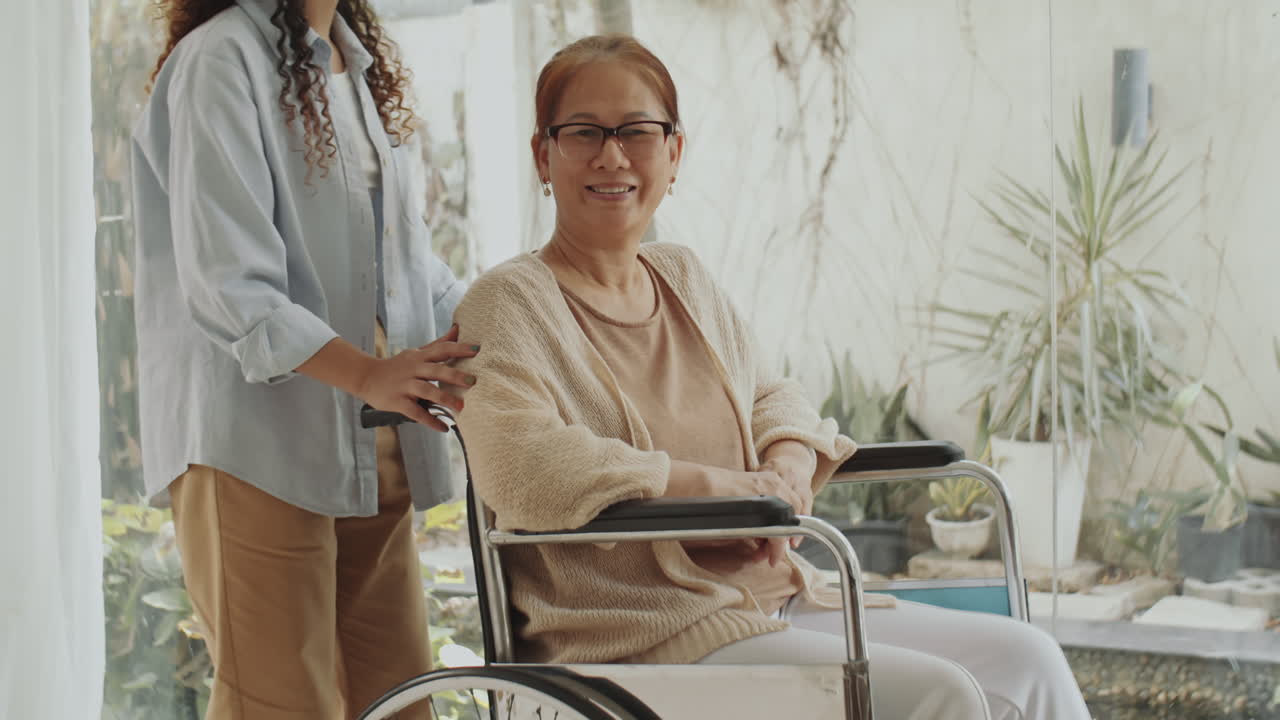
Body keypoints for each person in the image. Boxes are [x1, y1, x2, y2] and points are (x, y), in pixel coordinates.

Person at [448, 34, 1092, 720]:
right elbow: (525, 467)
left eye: (637, 131)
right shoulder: (508, 301)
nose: (612, 155)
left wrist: (785, 467)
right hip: (639, 636)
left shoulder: (684, 278)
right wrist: (719, 488)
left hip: (779, 599)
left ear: (674, 153)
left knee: (1030, 662)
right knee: (942, 697)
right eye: (583, 132)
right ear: (543, 155)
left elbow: (770, 393)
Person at [130, 1, 475, 717]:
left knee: (401, 701)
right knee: (280, 706)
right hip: (256, 447)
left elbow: (408, 264)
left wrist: (510, 330)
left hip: (369, 435)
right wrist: (371, 373)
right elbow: (230, 280)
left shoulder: (357, 66)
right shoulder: (219, 59)